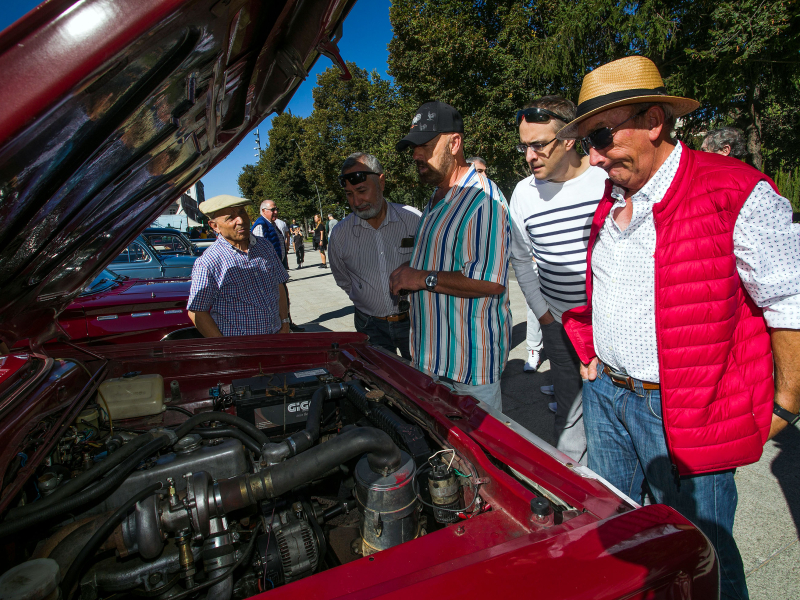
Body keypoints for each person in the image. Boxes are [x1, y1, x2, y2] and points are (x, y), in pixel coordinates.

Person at [556, 56, 800, 600]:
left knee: (702, 555)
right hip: (606, 397)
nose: (593, 157)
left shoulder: (734, 191)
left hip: (683, 411)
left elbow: (791, 302)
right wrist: (591, 356)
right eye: (586, 143)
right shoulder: (612, 196)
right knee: (625, 535)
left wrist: (785, 405)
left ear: (654, 121)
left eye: (601, 136)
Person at [390, 101, 512, 411]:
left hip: (468, 369)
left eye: (426, 146)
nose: (417, 155)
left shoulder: (484, 200)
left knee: (479, 455)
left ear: (454, 143)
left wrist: (419, 278)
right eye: (413, 147)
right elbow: (445, 259)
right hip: (431, 360)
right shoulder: (436, 196)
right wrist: (412, 267)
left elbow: (488, 282)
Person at [508, 95, 608, 465]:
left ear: (569, 139)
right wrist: (545, 316)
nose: (529, 156)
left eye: (538, 145)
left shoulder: (605, 180)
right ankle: (574, 490)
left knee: (615, 413)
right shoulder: (523, 193)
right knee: (569, 412)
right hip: (559, 326)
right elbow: (520, 259)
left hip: (608, 326)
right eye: (524, 146)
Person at [329, 152, 421, 359]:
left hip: (416, 322)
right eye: (349, 194)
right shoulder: (340, 234)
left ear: (381, 182)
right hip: (369, 326)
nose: (356, 201)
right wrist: (368, 299)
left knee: (420, 382)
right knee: (380, 385)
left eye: (361, 190)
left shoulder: (415, 220)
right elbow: (343, 279)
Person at [187, 195, 290, 337]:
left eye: (242, 212)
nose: (241, 221)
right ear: (214, 226)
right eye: (230, 218)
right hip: (241, 347)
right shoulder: (209, 262)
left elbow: (279, 284)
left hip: (275, 337)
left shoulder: (265, 246)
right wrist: (226, 347)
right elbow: (196, 311)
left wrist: (285, 322)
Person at [251, 199, 304, 332]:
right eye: (272, 210)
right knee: (278, 299)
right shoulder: (260, 226)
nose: (276, 212)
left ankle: (287, 323)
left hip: (277, 269)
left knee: (284, 298)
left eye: (276, 209)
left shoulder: (271, 224)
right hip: (268, 273)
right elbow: (257, 253)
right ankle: (281, 326)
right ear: (263, 211)